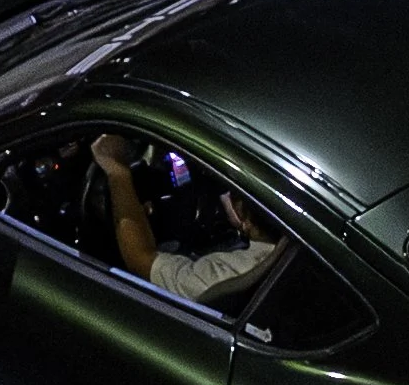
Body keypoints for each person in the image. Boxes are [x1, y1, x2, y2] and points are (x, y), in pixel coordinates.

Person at [91, 130, 282, 305]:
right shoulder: (281, 257)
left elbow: (140, 259)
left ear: (241, 211)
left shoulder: (222, 276)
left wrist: (117, 172)